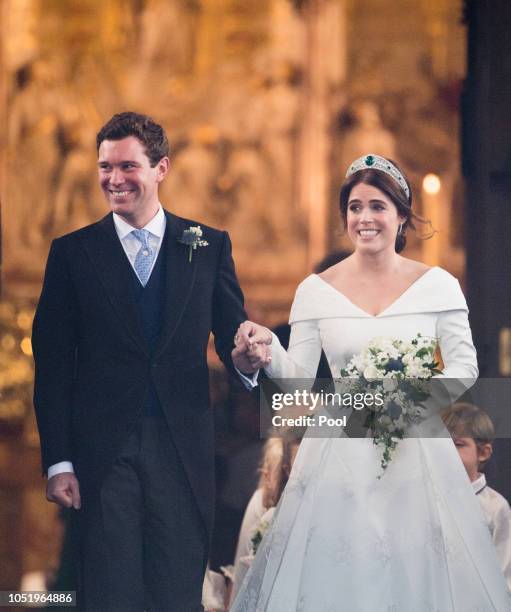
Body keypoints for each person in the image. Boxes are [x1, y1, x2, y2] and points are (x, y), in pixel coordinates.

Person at [230, 154, 511, 610]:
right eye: (355, 206)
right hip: (339, 454)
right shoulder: (315, 290)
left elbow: (463, 364)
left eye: (377, 206)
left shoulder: (438, 286)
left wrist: (402, 405)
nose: (365, 217)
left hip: (415, 452)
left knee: (414, 575)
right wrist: (264, 353)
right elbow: (299, 382)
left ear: (401, 215)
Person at [32, 111, 249, 611]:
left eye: (127, 166)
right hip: (102, 455)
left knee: (176, 592)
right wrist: (58, 460)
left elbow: (232, 339)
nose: (114, 179)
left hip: (183, 448)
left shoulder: (208, 245)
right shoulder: (71, 254)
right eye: (105, 167)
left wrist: (247, 360)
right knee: (111, 593)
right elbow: (55, 363)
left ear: (161, 168)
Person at [443, 402, 511, 591]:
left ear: (483, 452)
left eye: (458, 444)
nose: (447, 452)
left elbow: (504, 575)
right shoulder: (428, 498)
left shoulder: (495, 507)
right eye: (442, 444)